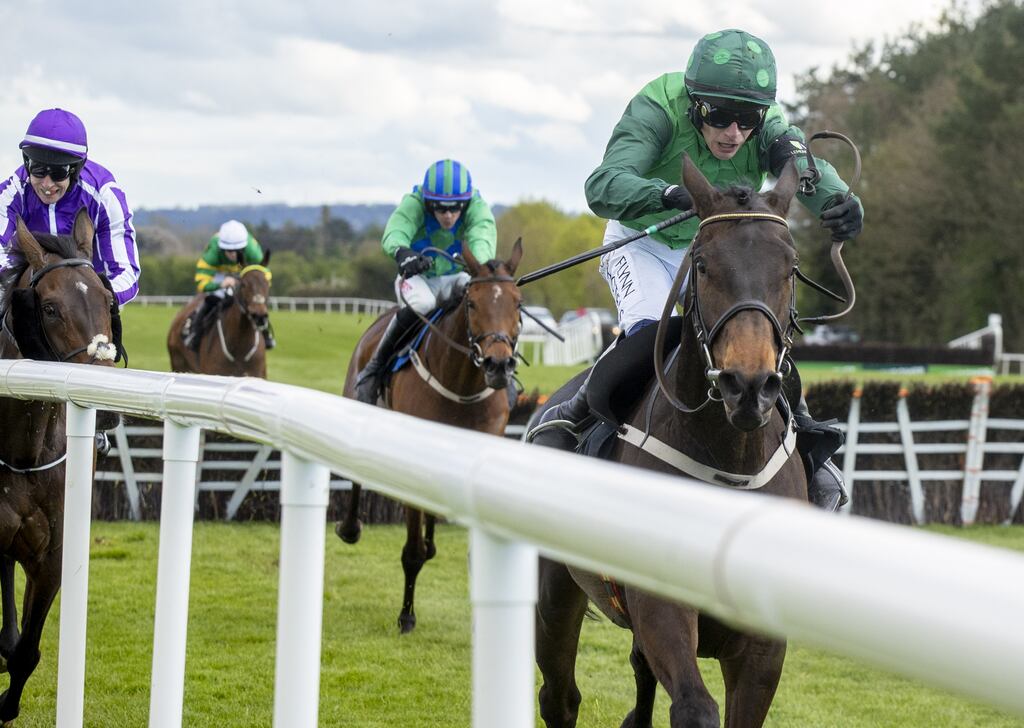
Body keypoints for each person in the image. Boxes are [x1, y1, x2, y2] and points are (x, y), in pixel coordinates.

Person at [535, 29, 864, 511]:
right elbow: (603, 184)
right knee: (653, 327)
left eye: (747, 119)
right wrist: (666, 194)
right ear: (694, 102)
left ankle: (808, 446)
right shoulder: (656, 106)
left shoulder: (768, 122)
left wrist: (840, 201)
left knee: (762, 336)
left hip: (723, 251)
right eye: (719, 116)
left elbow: (801, 168)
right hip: (643, 243)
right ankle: (576, 417)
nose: (734, 133)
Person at [353, 159, 497, 404]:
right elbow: (396, 232)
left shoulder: (477, 206)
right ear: (428, 203)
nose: (449, 216)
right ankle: (374, 368)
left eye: (455, 209)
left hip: (457, 276)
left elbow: (482, 239)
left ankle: (504, 371)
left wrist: (480, 265)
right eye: (440, 209)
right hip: (418, 278)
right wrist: (403, 253)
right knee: (423, 304)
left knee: (487, 304)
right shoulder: (414, 202)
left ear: (466, 203)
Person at [0, 108, 140, 305]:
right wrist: (18, 283)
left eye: (58, 173)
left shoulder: (105, 196)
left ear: (75, 170)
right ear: (27, 162)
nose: (47, 184)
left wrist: (92, 297)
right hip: (33, 291)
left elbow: (126, 272)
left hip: (88, 300)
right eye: (38, 170)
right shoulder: (13, 190)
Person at [185, 219, 274, 350]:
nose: (234, 255)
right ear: (221, 248)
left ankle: (266, 332)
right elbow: (201, 282)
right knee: (211, 300)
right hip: (219, 275)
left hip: (245, 274)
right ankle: (195, 333)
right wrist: (220, 285)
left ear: (244, 247)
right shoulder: (213, 252)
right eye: (229, 251)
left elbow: (264, 277)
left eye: (238, 251)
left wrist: (256, 293)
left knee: (256, 303)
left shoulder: (252, 249)